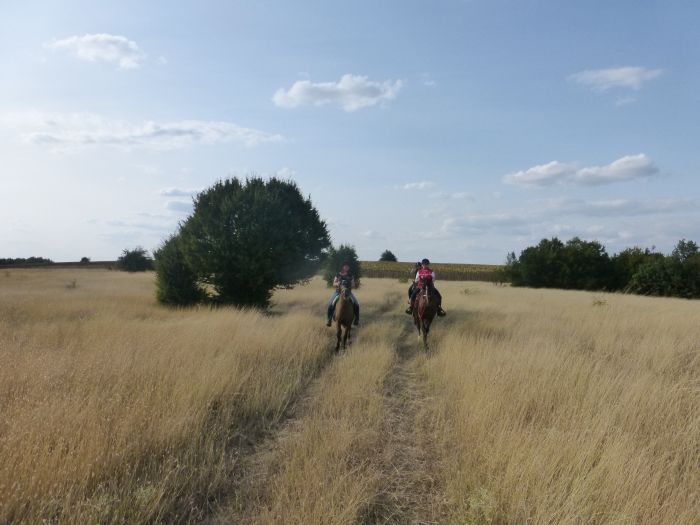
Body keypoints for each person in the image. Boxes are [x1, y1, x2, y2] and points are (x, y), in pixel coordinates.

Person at [326, 261, 360, 327]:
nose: (347, 267)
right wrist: (337, 283)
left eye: (348, 266)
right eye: (345, 266)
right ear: (343, 267)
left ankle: (356, 319)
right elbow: (333, 284)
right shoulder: (338, 275)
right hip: (338, 292)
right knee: (330, 304)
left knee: (356, 304)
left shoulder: (350, 275)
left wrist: (350, 284)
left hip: (348, 292)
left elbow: (353, 285)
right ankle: (329, 319)